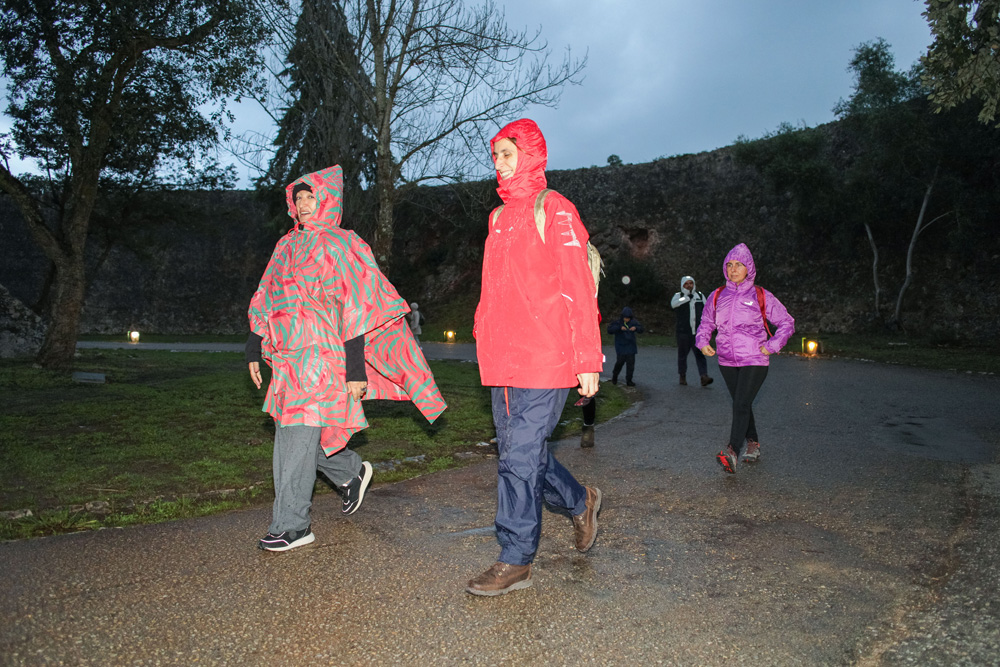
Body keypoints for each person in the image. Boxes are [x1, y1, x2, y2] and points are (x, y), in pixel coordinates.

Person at [246, 165, 446, 551]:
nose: (304, 204)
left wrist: (356, 369)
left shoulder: (342, 244)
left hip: (324, 358)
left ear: (327, 200)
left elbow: (358, 306)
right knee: (298, 435)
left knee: (294, 437)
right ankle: (350, 472)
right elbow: (265, 295)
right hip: (289, 360)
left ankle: (293, 525)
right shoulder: (285, 246)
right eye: (298, 197)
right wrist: (254, 346)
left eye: (311, 197)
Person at [467, 118, 603, 596]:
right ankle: (580, 500)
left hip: (547, 356)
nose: (500, 164)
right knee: (521, 456)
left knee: (520, 457)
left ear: (530, 154)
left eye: (508, 154)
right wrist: (482, 331)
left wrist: (587, 358)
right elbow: (492, 288)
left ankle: (515, 557)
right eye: (496, 156)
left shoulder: (556, 208)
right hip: (503, 358)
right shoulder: (498, 218)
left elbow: (579, 288)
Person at [695, 243, 794, 474]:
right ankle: (754, 443)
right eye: (729, 265)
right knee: (743, 403)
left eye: (738, 265)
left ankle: (731, 451)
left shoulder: (761, 295)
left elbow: (787, 322)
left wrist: (773, 345)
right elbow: (706, 323)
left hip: (755, 358)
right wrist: (703, 342)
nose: (733, 269)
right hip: (727, 360)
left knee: (740, 403)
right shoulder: (717, 295)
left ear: (748, 267)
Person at [671, 275, 713, 386]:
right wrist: (687, 298)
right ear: (683, 285)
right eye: (687, 283)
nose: (689, 285)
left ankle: (704, 376)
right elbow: (673, 304)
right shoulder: (678, 296)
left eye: (691, 283)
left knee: (700, 354)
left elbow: (707, 310)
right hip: (683, 332)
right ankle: (682, 376)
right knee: (682, 356)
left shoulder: (699, 295)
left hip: (697, 332)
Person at [607, 307, 643, 386]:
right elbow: (609, 330)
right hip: (621, 347)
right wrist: (619, 328)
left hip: (631, 347)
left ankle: (629, 380)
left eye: (628, 318)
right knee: (619, 363)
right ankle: (615, 376)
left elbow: (641, 329)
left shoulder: (634, 322)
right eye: (625, 318)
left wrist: (636, 328)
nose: (627, 320)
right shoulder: (617, 323)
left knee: (630, 365)